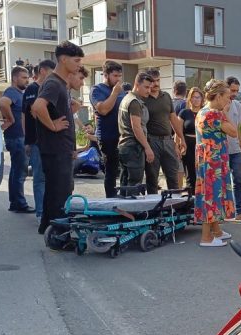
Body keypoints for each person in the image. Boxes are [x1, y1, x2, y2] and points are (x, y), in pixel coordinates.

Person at [32, 41, 84, 235]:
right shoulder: (54, 82)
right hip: (55, 150)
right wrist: (53, 126)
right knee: (60, 195)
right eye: (76, 60)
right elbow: (37, 107)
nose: (79, 65)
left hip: (60, 148)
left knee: (54, 192)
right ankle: (59, 235)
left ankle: (46, 227)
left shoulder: (60, 83)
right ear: (63, 59)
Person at [195, 79, 237, 247]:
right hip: (213, 162)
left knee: (212, 194)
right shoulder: (213, 113)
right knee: (211, 196)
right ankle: (206, 237)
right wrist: (225, 113)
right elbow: (233, 131)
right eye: (227, 96)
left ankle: (216, 230)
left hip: (209, 160)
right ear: (218, 96)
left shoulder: (203, 111)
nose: (229, 100)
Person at [143, 69, 186, 194]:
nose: (156, 84)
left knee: (173, 177)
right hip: (152, 141)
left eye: (158, 80)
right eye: (152, 81)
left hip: (168, 140)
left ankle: (175, 208)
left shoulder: (166, 96)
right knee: (152, 179)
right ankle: (154, 211)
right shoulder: (143, 98)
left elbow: (173, 118)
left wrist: (181, 138)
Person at [23, 59, 55, 223]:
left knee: (50, 177)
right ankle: (41, 213)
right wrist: (27, 139)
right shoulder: (32, 89)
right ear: (43, 70)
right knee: (39, 177)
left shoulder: (49, 89)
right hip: (37, 140)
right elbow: (32, 114)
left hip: (50, 140)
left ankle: (49, 211)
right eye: (51, 71)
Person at [0, 65, 32, 213]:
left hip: (17, 137)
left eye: (27, 78)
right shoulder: (12, 91)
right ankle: (19, 203)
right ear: (15, 78)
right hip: (17, 137)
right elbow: (3, 103)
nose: (27, 80)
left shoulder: (19, 93)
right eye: (24, 78)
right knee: (20, 172)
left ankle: (15, 202)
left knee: (16, 171)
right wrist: (11, 119)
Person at [90, 60, 126, 198]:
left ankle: (125, 197)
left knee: (125, 169)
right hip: (107, 137)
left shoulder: (120, 90)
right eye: (115, 76)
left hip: (122, 136)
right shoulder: (97, 90)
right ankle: (110, 199)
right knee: (111, 170)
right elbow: (103, 110)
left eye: (119, 76)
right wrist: (115, 93)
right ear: (105, 74)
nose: (118, 79)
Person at [117, 73, 154, 190]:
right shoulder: (134, 102)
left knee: (125, 185)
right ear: (137, 85)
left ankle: (123, 208)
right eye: (146, 87)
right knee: (134, 186)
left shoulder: (127, 98)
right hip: (133, 147)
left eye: (150, 88)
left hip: (125, 146)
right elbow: (136, 127)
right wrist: (147, 147)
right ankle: (130, 209)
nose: (149, 91)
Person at [225, 76, 241, 219]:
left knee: (239, 179)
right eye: (232, 90)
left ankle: (238, 210)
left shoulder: (237, 105)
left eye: (237, 91)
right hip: (221, 150)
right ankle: (226, 211)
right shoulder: (218, 105)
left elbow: (238, 129)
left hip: (235, 150)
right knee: (223, 182)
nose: (235, 93)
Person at [178, 87, 203, 195]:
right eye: (193, 97)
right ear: (189, 99)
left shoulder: (204, 112)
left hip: (202, 145)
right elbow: (178, 131)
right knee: (190, 174)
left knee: (201, 173)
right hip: (188, 144)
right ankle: (191, 199)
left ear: (202, 99)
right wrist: (178, 147)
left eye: (198, 97)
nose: (196, 99)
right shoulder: (184, 112)